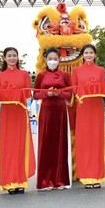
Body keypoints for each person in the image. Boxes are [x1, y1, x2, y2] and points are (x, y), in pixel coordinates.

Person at [0, 47, 35, 194]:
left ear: (17, 58)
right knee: (8, 147)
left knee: (20, 146)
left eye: (14, 56)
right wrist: (9, 93)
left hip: (20, 113)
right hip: (6, 114)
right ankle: (9, 182)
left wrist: (14, 93)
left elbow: (28, 94)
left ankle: (20, 181)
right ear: (4, 58)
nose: (12, 58)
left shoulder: (24, 74)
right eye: (9, 56)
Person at [33, 47, 73, 191]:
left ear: (59, 60)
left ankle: (60, 180)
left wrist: (59, 94)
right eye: (50, 58)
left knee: (60, 143)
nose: (52, 61)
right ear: (45, 59)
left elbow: (70, 93)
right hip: (46, 111)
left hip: (60, 111)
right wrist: (46, 94)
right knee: (46, 143)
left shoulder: (64, 75)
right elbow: (35, 94)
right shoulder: (41, 75)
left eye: (55, 59)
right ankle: (45, 181)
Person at [71, 44, 105, 189]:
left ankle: (97, 176)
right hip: (83, 108)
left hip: (97, 108)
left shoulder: (100, 70)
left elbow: (104, 88)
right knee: (84, 141)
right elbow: (74, 89)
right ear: (82, 55)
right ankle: (86, 176)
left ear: (95, 54)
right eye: (86, 52)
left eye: (91, 52)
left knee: (97, 140)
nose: (88, 55)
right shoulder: (76, 71)